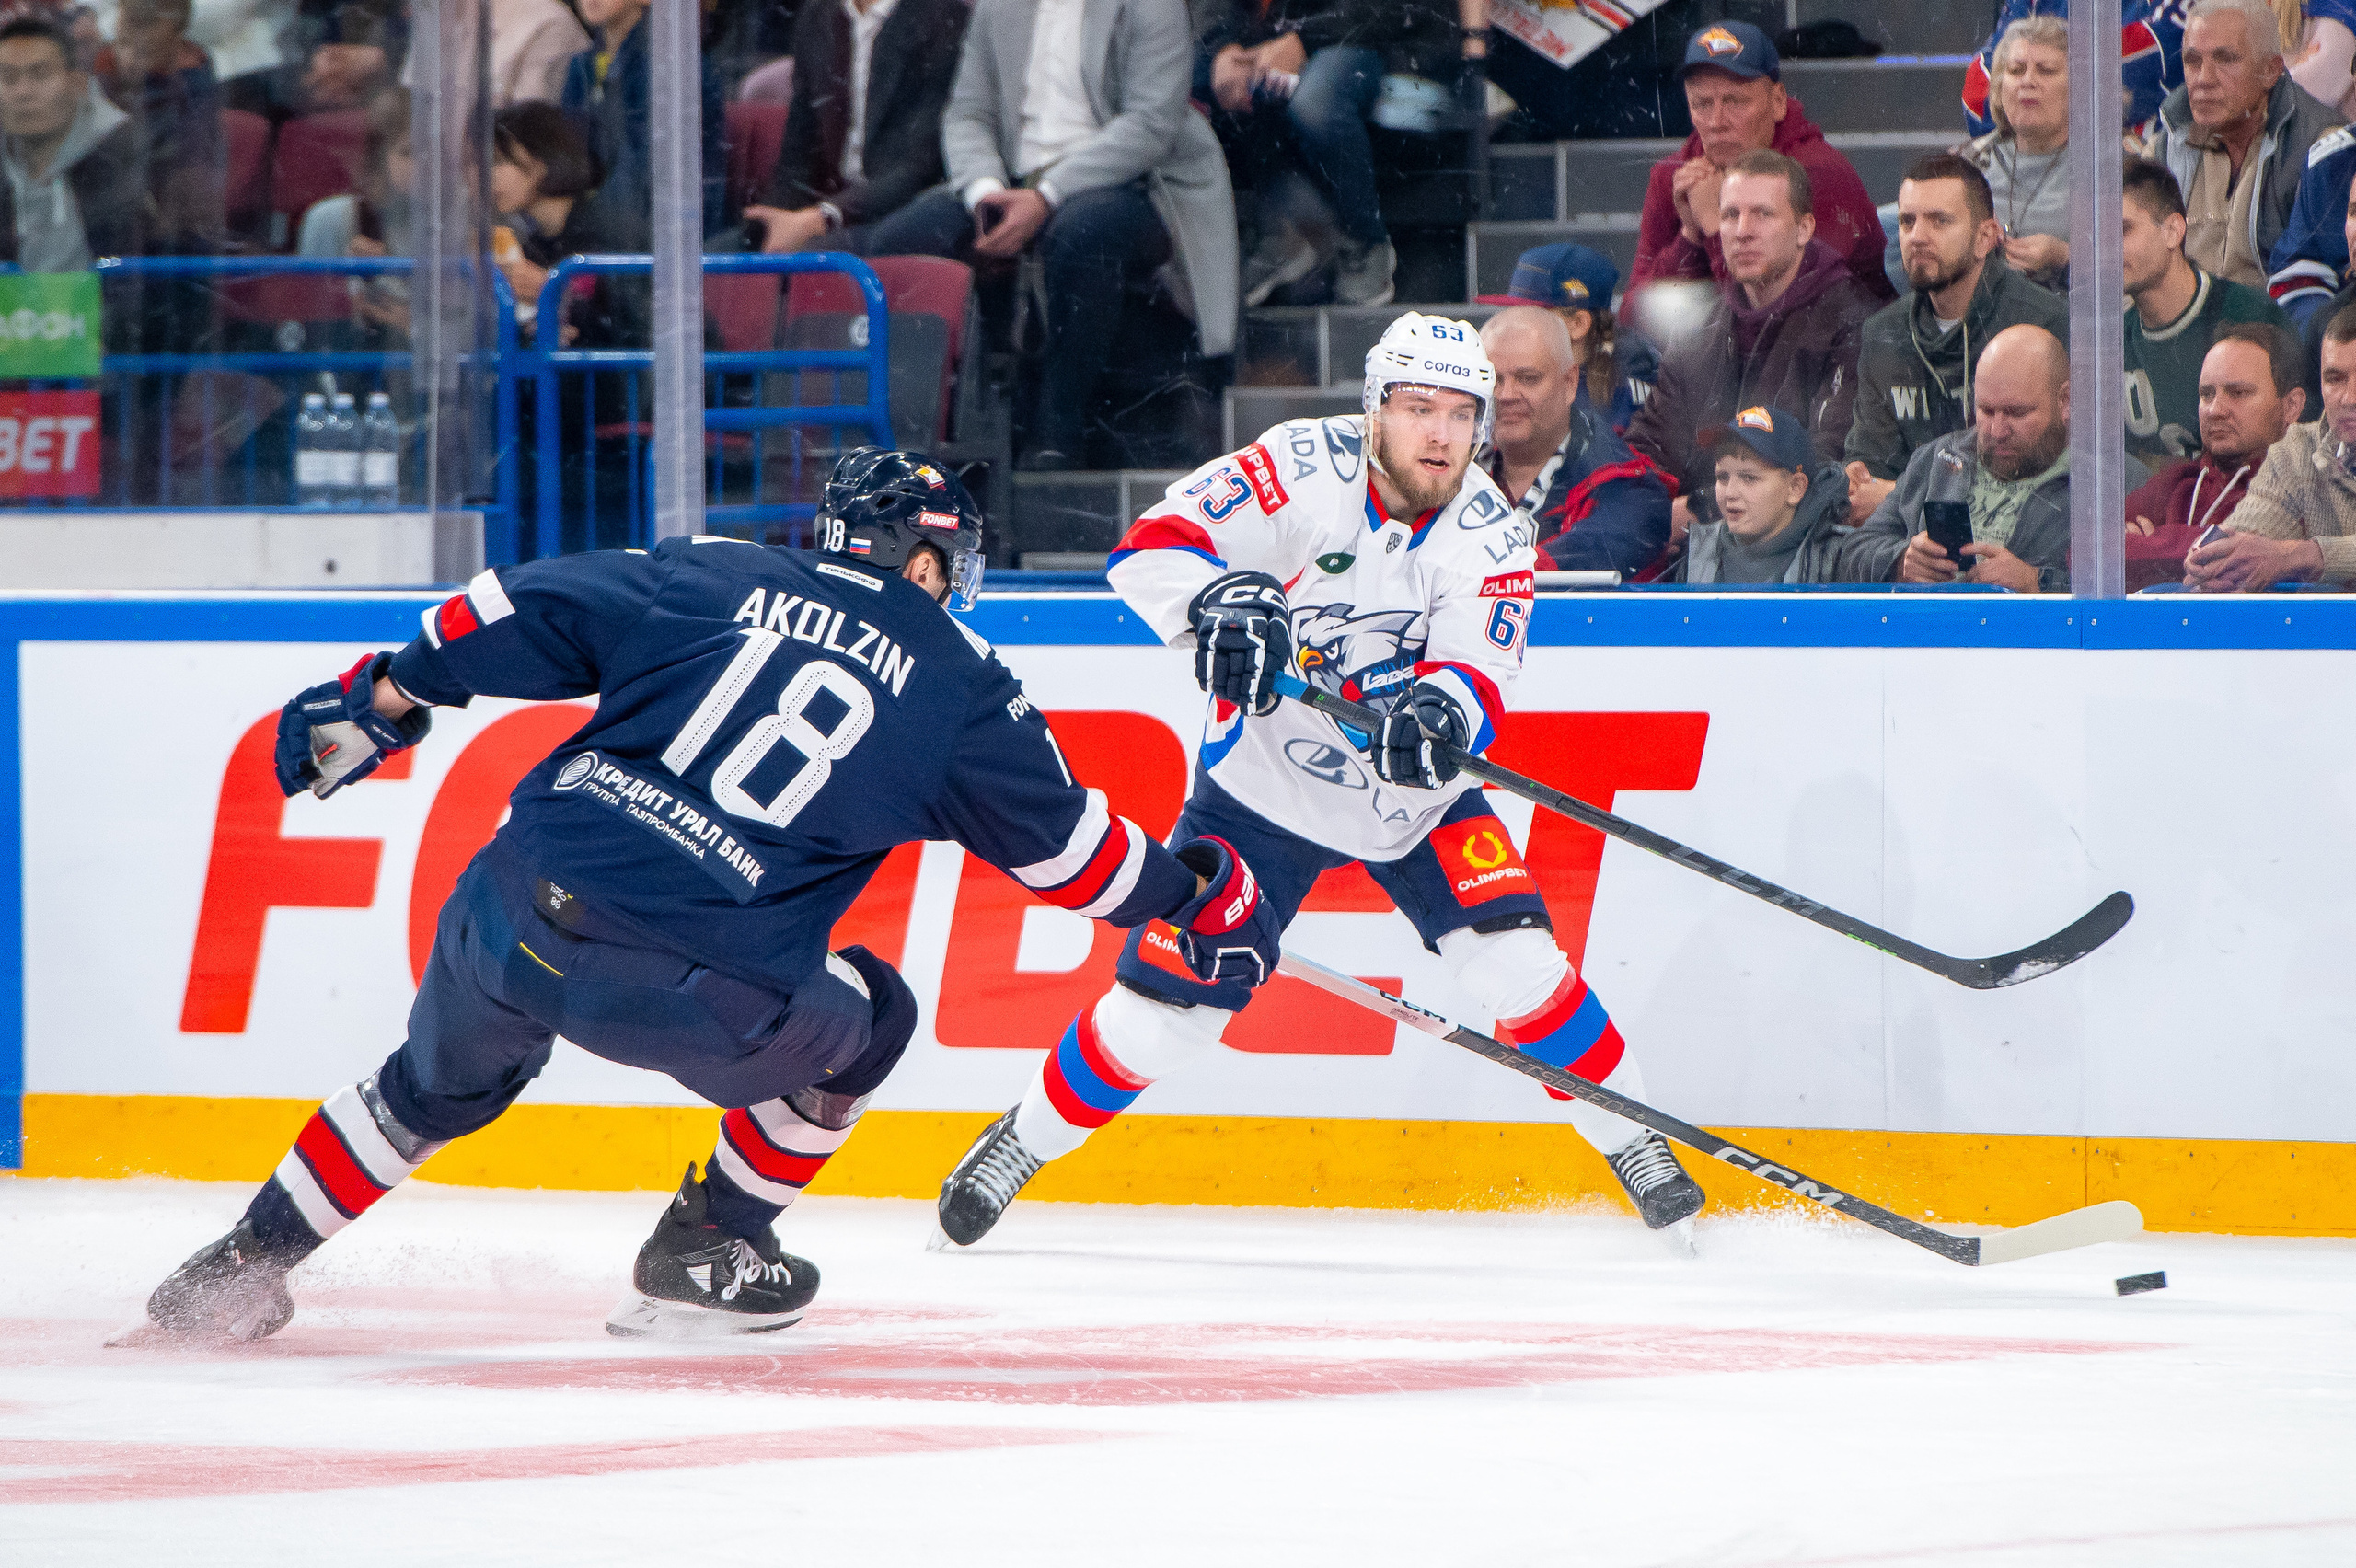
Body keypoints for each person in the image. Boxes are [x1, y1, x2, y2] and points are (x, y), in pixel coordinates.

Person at [123, 451, 1284, 1344]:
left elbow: (493, 611)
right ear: (927, 565)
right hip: (693, 989)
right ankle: (711, 1245)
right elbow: (1072, 860)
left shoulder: (711, 568)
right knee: (872, 1019)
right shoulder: (961, 684)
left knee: (422, 1090)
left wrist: (383, 693)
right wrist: (1194, 895)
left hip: (509, 912)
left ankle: (235, 1271)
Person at [931, 314, 1708, 1251]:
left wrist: (1439, 720)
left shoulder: (1491, 534)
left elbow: (1478, 672)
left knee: (1520, 970)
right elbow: (1148, 549)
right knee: (1160, 1021)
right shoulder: (1297, 465)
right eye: (1417, 408)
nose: (1438, 434)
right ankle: (1021, 1141)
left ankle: (1633, 1143)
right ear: (1375, 409)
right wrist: (1220, 600)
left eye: (1460, 413)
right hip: (1263, 788)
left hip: (1409, 805)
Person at [862, 0, 1238, 471]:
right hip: (1011, 179)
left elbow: (1150, 125)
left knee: (1082, 233)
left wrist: (1046, 197)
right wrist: (986, 190)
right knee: (900, 243)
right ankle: (911, 440)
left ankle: (1059, 427)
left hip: (1133, 178)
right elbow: (967, 114)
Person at [1626, 149, 1880, 538]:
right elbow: (1644, 453)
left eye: (1763, 214)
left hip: (1801, 561)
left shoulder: (1851, 322)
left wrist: (1692, 511)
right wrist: (1637, 507)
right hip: (1700, 556)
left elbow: (1819, 473)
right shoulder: (1699, 332)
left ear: (1804, 228)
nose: (1743, 231)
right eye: (1729, 215)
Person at [1844, 154, 2070, 525]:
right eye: (1907, 221)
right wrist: (1856, 477)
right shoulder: (1882, 332)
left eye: (1939, 221)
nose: (1917, 237)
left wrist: (1903, 495)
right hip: (1905, 538)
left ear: (1985, 238)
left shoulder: (2042, 325)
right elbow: (1869, 460)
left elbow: (2050, 473)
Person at [1198, 0, 1458, 308]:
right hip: (1282, 37)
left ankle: (1366, 239)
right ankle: (1284, 232)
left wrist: (1303, 40)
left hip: (1378, 41)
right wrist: (1222, 47)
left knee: (1315, 102)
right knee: (1205, 75)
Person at [1835, 325, 2126, 593]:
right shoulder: (1936, 460)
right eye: (1986, 411)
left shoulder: (2108, 480)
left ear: (2066, 401)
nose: (1997, 430)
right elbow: (1852, 553)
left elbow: (2134, 586)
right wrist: (1901, 562)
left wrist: (2035, 581)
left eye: (2017, 413)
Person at [1625, 21, 1889, 310]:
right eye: (1701, 103)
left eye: (1735, 101)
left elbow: (1787, 316)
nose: (1716, 122)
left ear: (1777, 101)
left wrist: (1715, 225)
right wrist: (1690, 237)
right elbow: (1634, 319)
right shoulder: (1675, 175)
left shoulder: (1819, 173)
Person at [2140, 0, 2342, 290]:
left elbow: (2313, 290)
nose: (2204, 79)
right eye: (2192, 61)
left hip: (2274, 328)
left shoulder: (2318, 149)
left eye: (2226, 59)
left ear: (2271, 70)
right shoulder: (2169, 142)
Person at [741, 0, 967, 256]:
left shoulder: (942, 18)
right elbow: (798, 154)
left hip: (896, 212)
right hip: (827, 206)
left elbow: (919, 168)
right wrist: (774, 222)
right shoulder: (819, 14)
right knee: (714, 259)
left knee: (814, 260)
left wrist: (823, 218)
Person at [1478, 306, 1672, 577]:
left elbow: (1588, 556)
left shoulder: (1633, 489)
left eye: (1528, 379)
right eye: (1493, 379)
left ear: (1569, 383)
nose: (1507, 394)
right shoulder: (1446, 471)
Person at [2123, 156, 2291, 461]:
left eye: (2123, 230)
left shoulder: (2253, 317)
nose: (2104, 249)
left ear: (2173, 230)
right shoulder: (2109, 341)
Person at [2124, 322, 2306, 587]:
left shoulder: (2307, 487)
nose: (2214, 410)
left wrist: (2147, 546)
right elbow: (2087, 552)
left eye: (2238, 393)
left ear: (2291, 406)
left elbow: (2239, 558)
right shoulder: (2181, 479)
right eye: (2207, 394)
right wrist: (2201, 546)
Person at [2189, 300, 2356, 584]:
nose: (2349, 398)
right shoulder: (2296, 452)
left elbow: (2285, 557)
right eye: (2335, 378)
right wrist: (2215, 565)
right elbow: (2247, 541)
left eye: (2239, 392)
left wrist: (2301, 556)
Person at [560, 0, 727, 246]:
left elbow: (645, 185)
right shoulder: (582, 66)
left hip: (667, 242)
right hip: (601, 232)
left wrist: (572, 219)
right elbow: (569, 158)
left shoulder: (672, 67)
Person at [0, 13, 156, 273]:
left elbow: (139, 282)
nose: (23, 92)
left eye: (39, 75)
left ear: (76, 83)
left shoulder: (123, 154)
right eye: (8, 79)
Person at [1474, 242, 1655, 432]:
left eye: (1531, 315)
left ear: (1578, 324)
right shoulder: (1495, 384)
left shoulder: (1632, 399)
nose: (1513, 326)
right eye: (1511, 312)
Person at [1677, 404, 1853, 585]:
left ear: (1795, 488)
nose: (1730, 493)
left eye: (1749, 478)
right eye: (1723, 477)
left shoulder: (1842, 557)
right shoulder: (1695, 556)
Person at [1962, 0, 2186, 139]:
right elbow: (1979, 86)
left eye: (2046, 70)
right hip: (2028, 168)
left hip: (2142, 173)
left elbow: (2127, 70)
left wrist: (2036, 120)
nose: (2030, 79)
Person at [1961, 14, 2073, 293]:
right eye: (2016, 70)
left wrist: (2065, 256)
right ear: (1999, 88)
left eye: (2046, 70)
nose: (2028, 81)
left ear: (2083, 89)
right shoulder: (1968, 163)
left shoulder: (2116, 165)